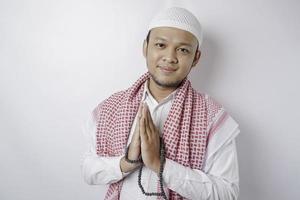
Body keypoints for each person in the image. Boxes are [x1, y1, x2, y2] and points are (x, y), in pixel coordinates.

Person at [81, 7, 240, 200]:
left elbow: (227, 193)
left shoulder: (212, 118)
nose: (170, 58)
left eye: (182, 50)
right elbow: (88, 171)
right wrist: (127, 162)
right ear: (145, 47)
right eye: (160, 45)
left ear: (196, 58)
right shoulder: (110, 108)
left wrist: (160, 164)